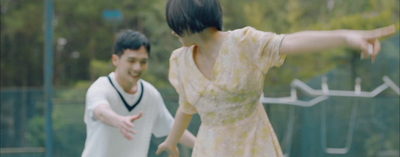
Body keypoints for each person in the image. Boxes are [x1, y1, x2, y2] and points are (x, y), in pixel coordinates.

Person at [156, 0, 396, 156]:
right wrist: (171, 141)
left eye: (174, 24)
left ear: (188, 21)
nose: (172, 31)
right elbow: (186, 107)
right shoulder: (181, 60)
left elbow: (292, 41)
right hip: (211, 148)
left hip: (253, 144)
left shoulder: (244, 43)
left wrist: (345, 37)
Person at [81, 30, 196, 157]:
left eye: (143, 62)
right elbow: (101, 112)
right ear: (115, 60)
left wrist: (204, 147)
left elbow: (174, 130)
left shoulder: (151, 94)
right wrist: (119, 120)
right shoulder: (100, 87)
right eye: (131, 61)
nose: (137, 67)